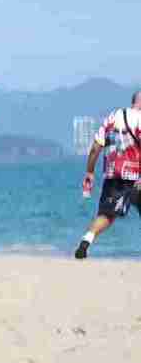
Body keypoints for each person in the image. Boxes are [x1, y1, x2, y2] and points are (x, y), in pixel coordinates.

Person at [75, 89, 141, 258]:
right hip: (134, 177)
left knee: (106, 214)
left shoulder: (113, 117)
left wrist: (89, 172)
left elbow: (96, 147)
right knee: (111, 213)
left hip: (113, 175)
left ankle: (86, 241)